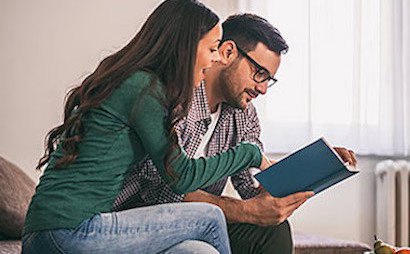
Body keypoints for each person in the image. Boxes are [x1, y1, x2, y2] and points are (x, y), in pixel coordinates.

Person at [22, 1, 272, 253]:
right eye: (212, 49)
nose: (216, 59)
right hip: (67, 231)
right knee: (210, 218)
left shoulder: (143, 85)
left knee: (193, 251)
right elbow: (182, 177)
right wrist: (249, 152)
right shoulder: (145, 90)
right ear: (187, 47)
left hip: (56, 232)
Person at [113, 13, 357, 254]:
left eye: (269, 80)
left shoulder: (244, 114)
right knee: (198, 249)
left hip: (199, 223)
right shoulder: (171, 97)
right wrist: (246, 211)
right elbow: (162, 193)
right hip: (138, 222)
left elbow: (252, 188)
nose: (262, 89)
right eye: (259, 73)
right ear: (228, 52)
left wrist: (311, 167)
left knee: (274, 230)